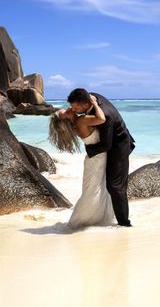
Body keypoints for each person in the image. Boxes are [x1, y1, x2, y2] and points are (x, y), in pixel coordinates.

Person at [67, 88, 135, 227]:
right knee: (106, 183)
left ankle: (124, 224)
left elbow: (105, 145)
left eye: (75, 108)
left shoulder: (105, 117)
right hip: (110, 142)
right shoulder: (91, 97)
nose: (73, 110)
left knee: (115, 186)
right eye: (71, 107)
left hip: (119, 146)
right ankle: (104, 214)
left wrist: (88, 148)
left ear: (86, 105)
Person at [49, 95, 114, 228]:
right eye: (66, 113)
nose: (68, 109)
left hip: (95, 158)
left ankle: (96, 217)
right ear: (66, 120)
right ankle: (81, 220)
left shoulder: (78, 122)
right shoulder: (82, 121)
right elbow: (101, 119)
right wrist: (95, 104)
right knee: (93, 190)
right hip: (97, 159)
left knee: (94, 189)